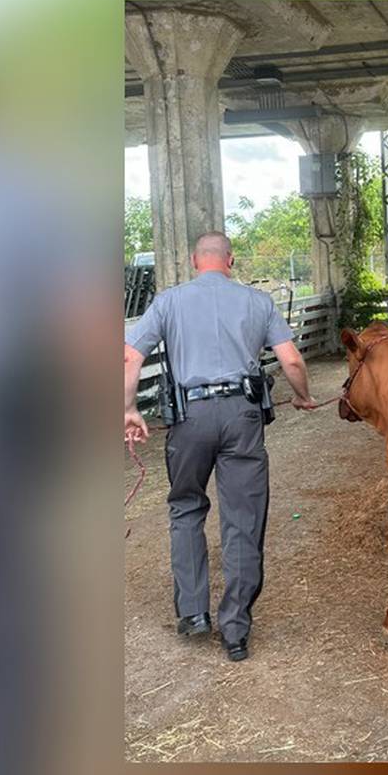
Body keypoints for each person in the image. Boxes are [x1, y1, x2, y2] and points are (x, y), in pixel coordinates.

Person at [123, 232, 316, 662]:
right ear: (230, 260)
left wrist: (128, 409)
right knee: (243, 518)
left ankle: (193, 613)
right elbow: (292, 360)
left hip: (189, 418)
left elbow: (130, 357)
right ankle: (235, 631)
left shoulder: (168, 302)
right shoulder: (258, 302)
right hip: (242, 416)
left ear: (195, 261)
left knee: (187, 508)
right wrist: (302, 395)